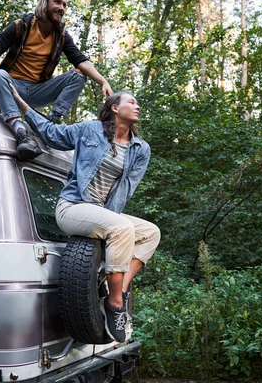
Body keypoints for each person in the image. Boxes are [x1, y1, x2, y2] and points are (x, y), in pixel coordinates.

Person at [10, 84, 161, 343]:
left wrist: (111, 219)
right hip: (72, 207)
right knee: (121, 228)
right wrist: (23, 105)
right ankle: (114, 306)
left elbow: (126, 188)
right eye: (132, 102)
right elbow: (52, 134)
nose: (137, 106)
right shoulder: (90, 129)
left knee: (150, 233)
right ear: (115, 108)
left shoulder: (140, 149)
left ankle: (121, 289)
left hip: (103, 212)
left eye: (138, 104)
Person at [0, 0, 113, 161]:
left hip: (38, 90)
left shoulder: (61, 36)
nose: (62, 7)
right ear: (44, 3)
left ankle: (51, 123)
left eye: (64, 4)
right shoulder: (21, 26)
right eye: (57, 2)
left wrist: (103, 81)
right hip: (13, 88)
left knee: (78, 74)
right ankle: (21, 133)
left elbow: (81, 60)